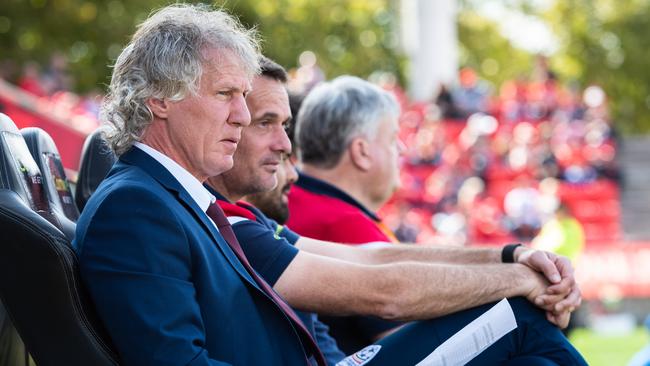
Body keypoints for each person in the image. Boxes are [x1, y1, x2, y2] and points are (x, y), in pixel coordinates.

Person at [206, 59, 587, 365]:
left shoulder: (252, 219)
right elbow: (391, 296)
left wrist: (510, 257)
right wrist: (517, 280)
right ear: (361, 151)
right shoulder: (265, 222)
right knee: (519, 318)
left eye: (285, 126)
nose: (285, 145)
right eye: (265, 124)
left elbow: (378, 259)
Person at [73, 5, 326, 365]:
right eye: (225, 93)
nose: (242, 116)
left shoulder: (172, 199)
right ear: (159, 97)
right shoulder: (133, 208)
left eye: (243, 95)